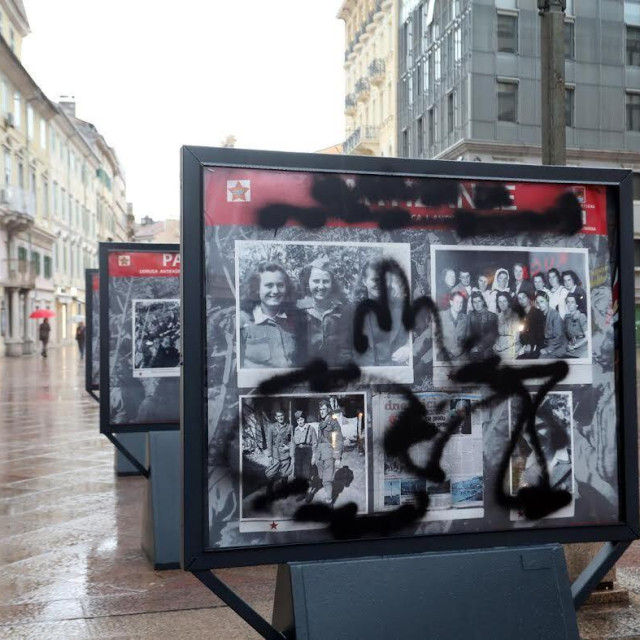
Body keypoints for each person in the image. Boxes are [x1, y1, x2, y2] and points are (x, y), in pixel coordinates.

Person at [239, 262, 300, 368]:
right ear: (256, 289)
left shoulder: (294, 319)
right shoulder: (242, 320)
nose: (275, 291)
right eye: (269, 285)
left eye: (280, 285)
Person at [353, 260, 410, 366]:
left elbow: (420, 337)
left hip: (396, 375)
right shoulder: (352, 312)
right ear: (365, 281)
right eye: (375, 279)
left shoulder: (403, 309)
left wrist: (408, 349)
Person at [297, 257, 352, 366]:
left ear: (332, 284)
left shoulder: (342, 311)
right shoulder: (298, 309)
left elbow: (346, 349)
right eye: (316, 281)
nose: (321, 286)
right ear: (308, 282)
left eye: (326, 281)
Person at [313, 399, 344, 505]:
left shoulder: (334, 422)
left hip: (329, 453)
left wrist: (337, 458)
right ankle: (328, 490)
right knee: (322, 477)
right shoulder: (321, 423)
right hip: (320, 453)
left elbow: (338, 440)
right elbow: (318, 440)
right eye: (320, 409)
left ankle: (329, 501)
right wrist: (315, 455)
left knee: (327, 479)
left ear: (328, 410)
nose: (321, 411)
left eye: (323, 409)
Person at [292, 410, 318, 502]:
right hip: (298, 452)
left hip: (308, 452)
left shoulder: (311, 428)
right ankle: (303, 493)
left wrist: (314, 456)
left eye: (302, 419)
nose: (300, 422)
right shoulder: (296, 429)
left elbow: (315, 443)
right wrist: (293, 456)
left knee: (308, 474)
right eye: (298, 420)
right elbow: (294, 443)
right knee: (299, 475)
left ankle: (310, 492)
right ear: (296, 421)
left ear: (304, 419)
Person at [265, 410, 294, 493]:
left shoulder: (289, 427)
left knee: (285, 474)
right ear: (276, 418)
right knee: (271, 473)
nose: (280, 417)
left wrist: (288, 448)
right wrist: (270, 455)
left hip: (285, 454)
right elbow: (269, 442)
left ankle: (284, 492)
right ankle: (269, 491)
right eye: (278, 416)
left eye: (282, 416)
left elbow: (291, 441)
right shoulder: (271, 427)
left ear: (284, 416)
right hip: (275, 454)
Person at [467, 291, 498, 361]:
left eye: (479, 301)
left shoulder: (492, 316)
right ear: (472, 304)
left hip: (487, 349)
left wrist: (478, 348)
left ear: (483, 302)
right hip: (473, 349)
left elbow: (492, 336)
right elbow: (468, 334)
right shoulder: (470, 316)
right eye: (474, 302)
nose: (477, 304)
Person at [515, 290, 544, 359]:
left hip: (537, 344)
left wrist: (531, 344)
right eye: (519, 298)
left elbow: (540, 333)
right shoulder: (519, 315)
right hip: (524, 345)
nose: (522, 300)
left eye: (524, 297)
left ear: (528, 299)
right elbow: (521, 332)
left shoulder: (538, 313)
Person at [537, 291, 566, 358]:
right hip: (547, 345)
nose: (540, 305)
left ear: (547, 301)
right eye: (538, 303)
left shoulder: (554, 314)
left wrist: (548, 349)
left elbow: (559, 336)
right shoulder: (541, 314)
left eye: (542, 301)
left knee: (542, 360)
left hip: (559, 346)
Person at [439, 291, 468, 360]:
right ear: (451, 302)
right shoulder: (441, 315)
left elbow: (467, 338)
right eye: (457, 302)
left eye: (461, 302)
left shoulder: (466, 318)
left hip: (460, 356)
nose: (460, 305)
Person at [494, 291, 518, 359]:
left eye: (504, 301)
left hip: (512, 345)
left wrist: (504, 347)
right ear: (497, 303)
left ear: (508, 302)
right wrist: (496, 345)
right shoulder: (497, 317)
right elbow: (496, 335)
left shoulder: (515, 316)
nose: (502, 304)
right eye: (500, 302)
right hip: (500, 345)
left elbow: (516, 338)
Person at [563, 292, 589, 358]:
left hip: (583, 348)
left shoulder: (581, 316)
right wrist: (569, 345)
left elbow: (588, 338)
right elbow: (566, 336)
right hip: (571, 348)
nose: (569, 304)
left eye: (572, 302)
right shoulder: (566, 317)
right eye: (568, 302)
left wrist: (575, 346)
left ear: (577, 305)